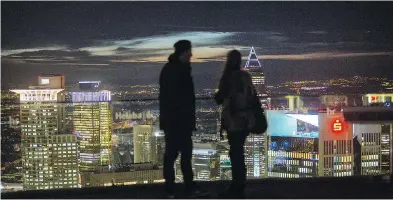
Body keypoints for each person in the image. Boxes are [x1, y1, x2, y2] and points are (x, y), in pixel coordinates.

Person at [159, 40, 200, 198]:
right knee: (181, 155)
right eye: (189, 51)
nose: (191, 54)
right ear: (183, 53)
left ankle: (172, 186)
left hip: (174, 121)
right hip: (178, 121)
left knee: (173, 154)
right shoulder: (178, 71)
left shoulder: (171, 69)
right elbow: (180, 99)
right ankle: (184, 186)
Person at [215, 50, 255, 198]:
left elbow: (219, 98)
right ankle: (240, 185)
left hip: (233, 120)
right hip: (246, 120)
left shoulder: (228, 77)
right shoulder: (246, 76)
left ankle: (236, 187)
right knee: (239, 151)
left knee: (235, 152)